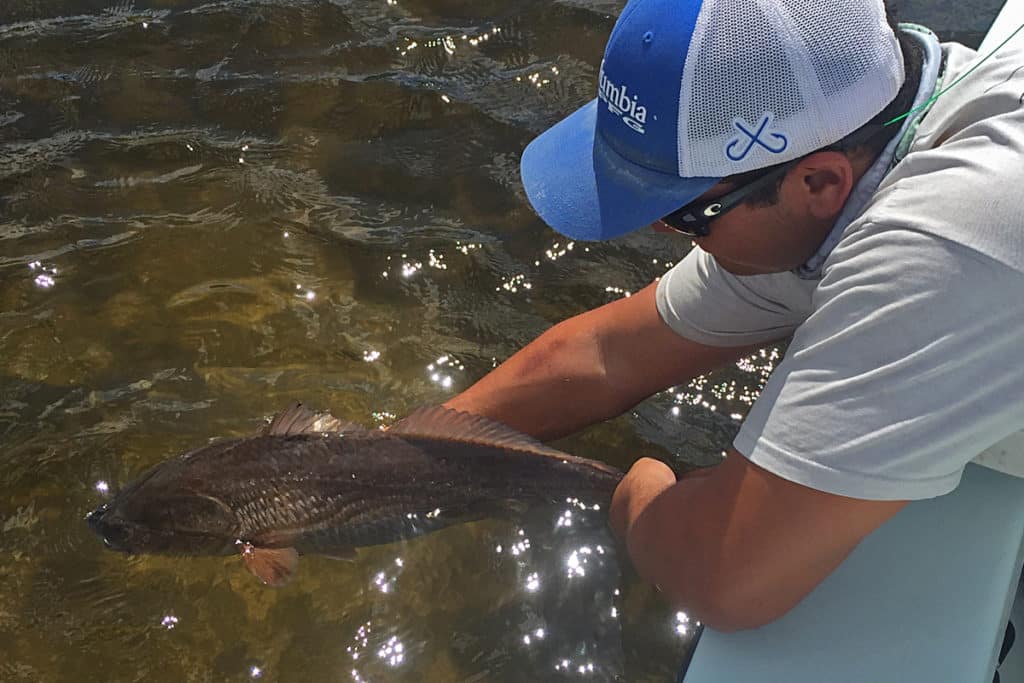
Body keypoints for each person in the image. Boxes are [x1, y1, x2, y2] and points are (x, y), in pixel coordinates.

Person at [445, 0, 1024, 633]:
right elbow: (602, 356)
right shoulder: (858, 152)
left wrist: (638, 491)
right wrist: (364, 465)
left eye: (686, 214)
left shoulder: (943, 243)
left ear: (818, 183)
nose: (661, 232)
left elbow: (730, 579)